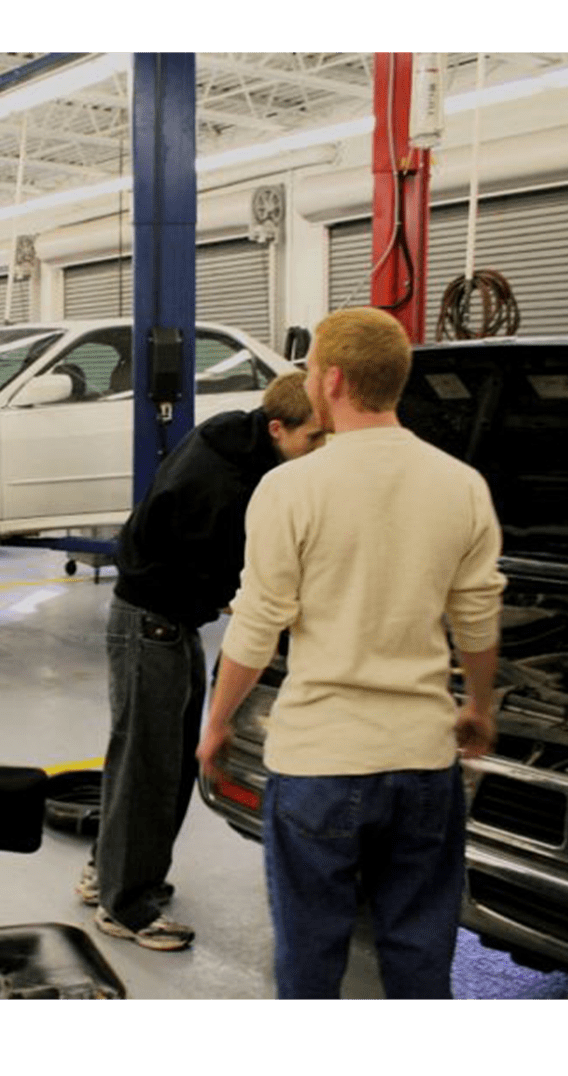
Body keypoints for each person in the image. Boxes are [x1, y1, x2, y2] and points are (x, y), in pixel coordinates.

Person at [197, 306, 505, 998]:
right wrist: (479, 707)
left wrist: (218, 721)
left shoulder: (291, 488)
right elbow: (478, 619)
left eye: (307, 369)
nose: (305, 381)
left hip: (320, 764)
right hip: (424, 761)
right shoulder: (461, 485)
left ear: (331, 380)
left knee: (310, 960)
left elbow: (256, 625)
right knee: (420, 960)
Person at [79, 370, 324, 951]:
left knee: (148, 760)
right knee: (152, 767)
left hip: (164, 621)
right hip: (153, 623)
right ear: (277, 428)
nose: (321, 451)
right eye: (314, 439)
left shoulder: (230, 436)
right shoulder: (231, 487)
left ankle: (106, 871)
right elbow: (233, 577)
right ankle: (126, 908)